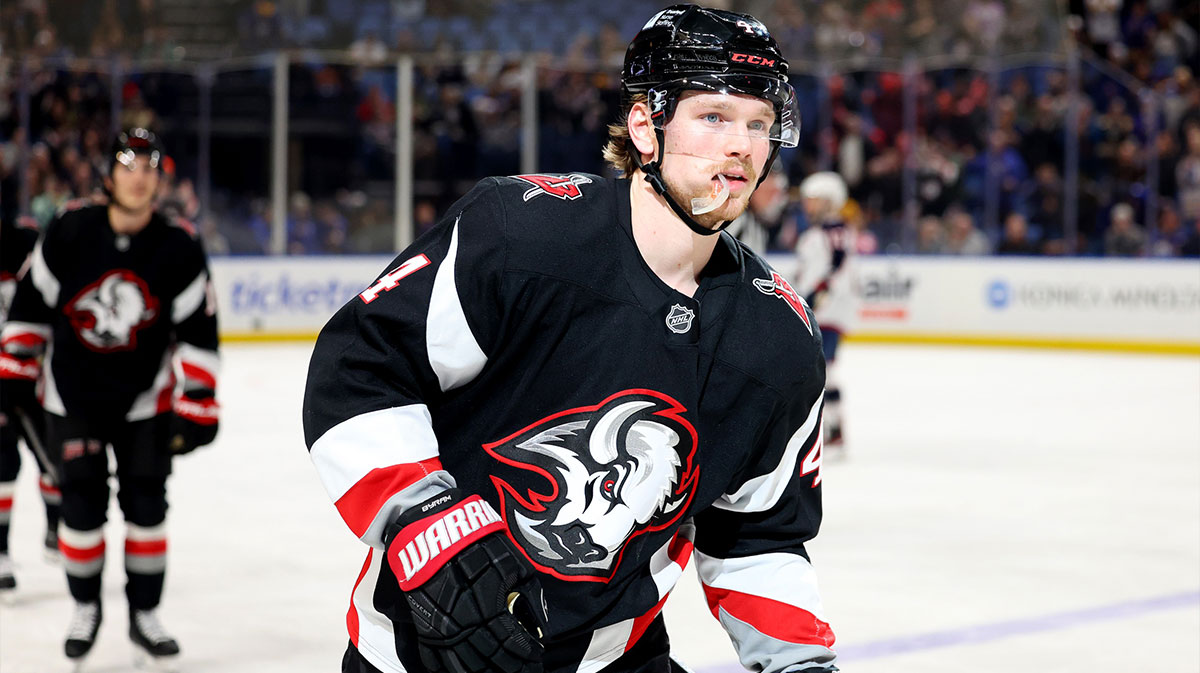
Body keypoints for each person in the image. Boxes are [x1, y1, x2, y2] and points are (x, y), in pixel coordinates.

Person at [303, 6, 838, 673]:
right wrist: (424, 517)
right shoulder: (519, 234)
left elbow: (757, 535)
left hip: (616, 659)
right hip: (422, 657)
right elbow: (360, 370)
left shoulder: (778, 337)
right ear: (646, 126)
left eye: (759, 125)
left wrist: (800, 663)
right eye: (715, 117)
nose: (744, 146)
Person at [0, 128, 221, 668]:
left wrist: (199, 402)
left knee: (147, 509)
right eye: (128, 163)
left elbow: (199, 330)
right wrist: (14, 371)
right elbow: (30, 304)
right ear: (110, 175)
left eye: (150, 165)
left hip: (145, 402)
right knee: (80, 509)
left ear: (159, 179)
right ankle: (85, 608)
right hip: (72, 400)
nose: (139, 175)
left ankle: (145, 615)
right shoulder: (72, 230)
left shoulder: (178, 246)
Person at [0, 213, 63, 600]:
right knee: (4, 466)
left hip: (34, 374)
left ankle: (57, 529)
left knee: (54, 462)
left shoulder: (27, 241)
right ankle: (1, 552)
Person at [794, 171, 855, 451]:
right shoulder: (821, 233)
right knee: (822, 370)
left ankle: (833, 428)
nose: (808, 205)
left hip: (827, 313)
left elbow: (835, 271)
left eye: (813, 200)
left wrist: (812, 299)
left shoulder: (834, 233)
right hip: (822, 310)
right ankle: (831, 428)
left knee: (825, 370)